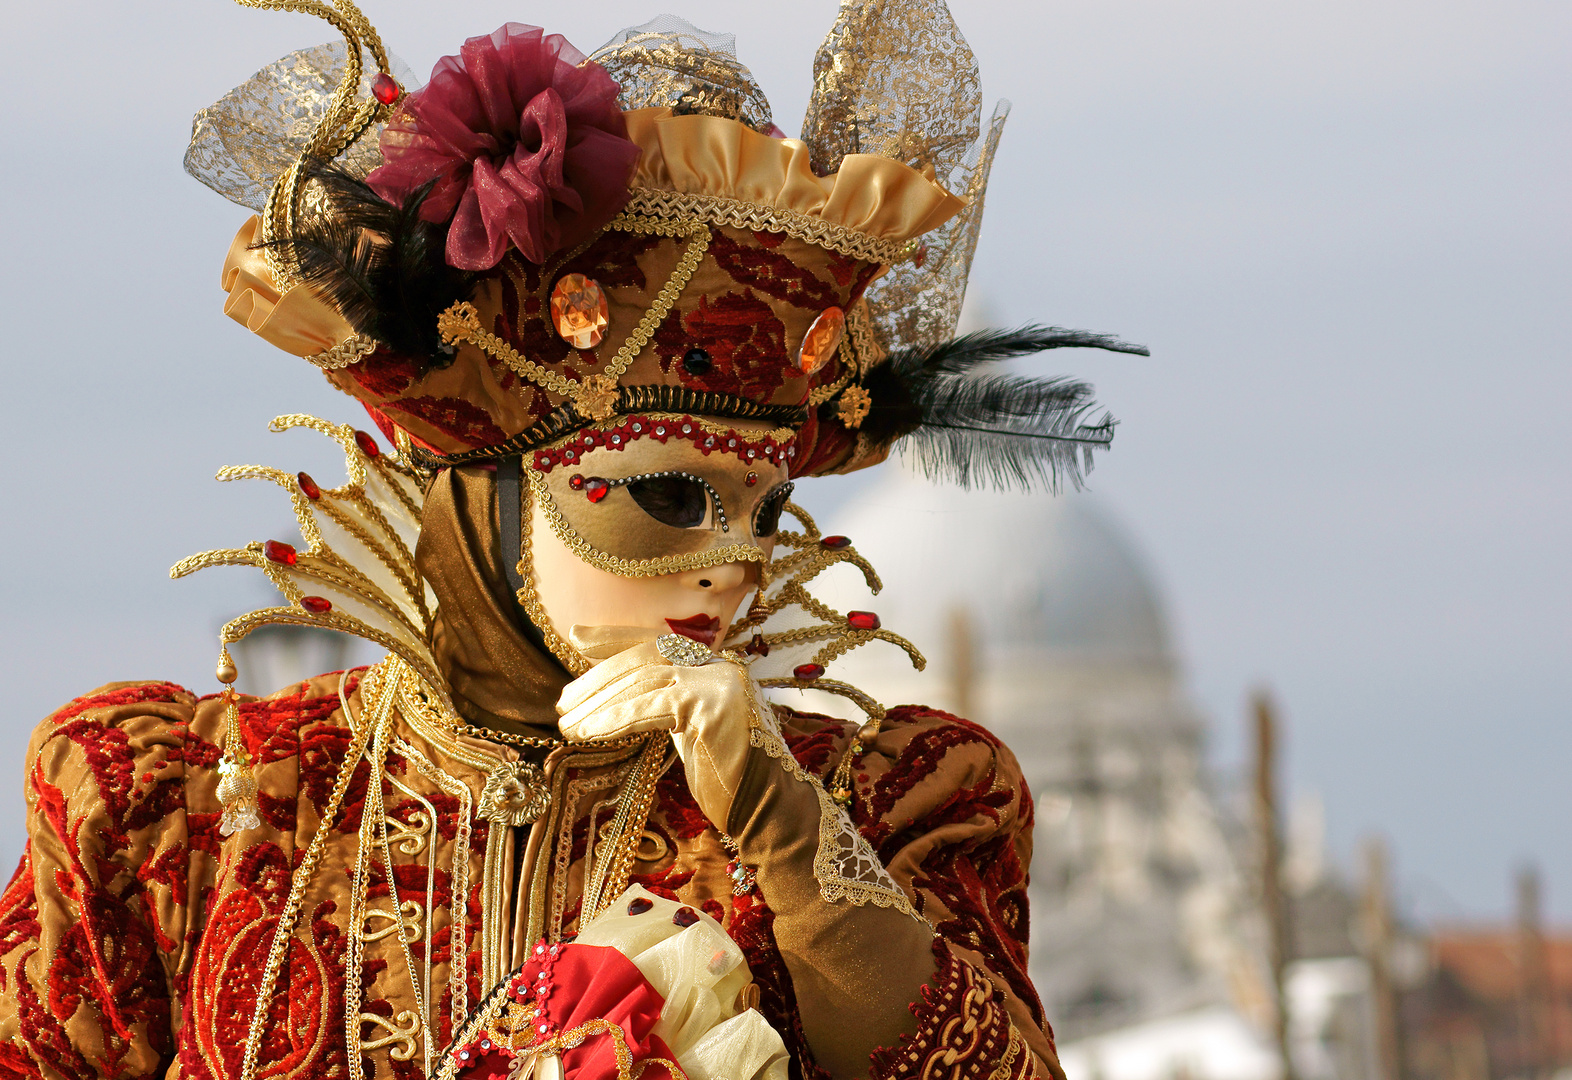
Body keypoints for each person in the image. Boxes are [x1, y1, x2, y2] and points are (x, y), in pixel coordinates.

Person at [0, 3, 1145, 1078]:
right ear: (487, 480)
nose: (734, 565)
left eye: (762, 510)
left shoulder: (882, 808)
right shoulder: (197, 814)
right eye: (669, 496)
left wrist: (784, 829)